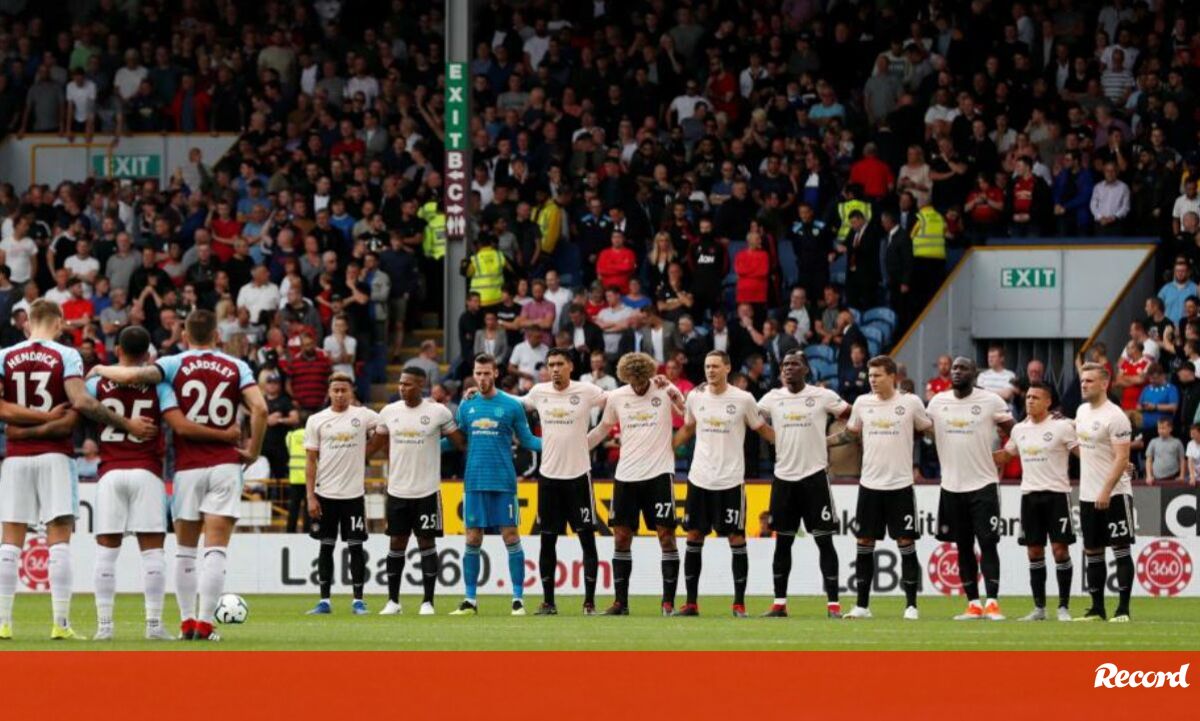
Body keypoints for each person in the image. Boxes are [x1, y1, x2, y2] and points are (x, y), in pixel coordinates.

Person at [88, 309, 268, 641]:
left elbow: (125, 382)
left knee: (184, 552)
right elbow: (260, 408)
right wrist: (252, 449)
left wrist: (98, 368)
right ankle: (203, 625)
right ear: (217, 336)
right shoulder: (237, 366)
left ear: (184, 336)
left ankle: (182, 623)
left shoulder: (172, 364)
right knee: (215, 550)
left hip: (184, 468)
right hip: (223, 466)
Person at [0, 299, 157, 641]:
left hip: (15, 456)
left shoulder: (5, 356)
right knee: (58, 540)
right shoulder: (67, 355)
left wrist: (23, 430)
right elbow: (80, 404)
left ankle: (3, 623)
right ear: (58, 322)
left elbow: (2, 409)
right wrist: (126, 424)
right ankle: (60, 623)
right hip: (56, 456)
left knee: (9, 543)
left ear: (28, 323)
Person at [672, 350, 776, 617]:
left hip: (730, 481)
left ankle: (739, 604)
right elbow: (688, 428)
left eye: (716, 366)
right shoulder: (695, 396)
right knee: (694, 536)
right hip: (699, 479)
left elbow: (761, 429)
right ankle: (691, 603)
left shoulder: (743, 399)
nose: (710, 370)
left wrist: (789, 446)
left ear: (727, 368)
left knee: (736, 538)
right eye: (708, 366)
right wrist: (667, 448)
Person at [829, 355, 932, 620]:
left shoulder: (910, 403)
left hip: (900, 486)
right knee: (864, 542)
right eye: (870, 375)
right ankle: (862, 606)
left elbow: (928, 429)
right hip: (870, 485)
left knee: (905, 542)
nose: (872, 380)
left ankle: (911, 606)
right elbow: (850, 434)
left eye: (877, 375)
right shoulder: (862, 403)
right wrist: (822, 442)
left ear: (892, 376)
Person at [586, 352, 686, 615]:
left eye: (642, 381)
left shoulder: (664, 388)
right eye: (633, 381)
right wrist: (579, 446)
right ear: (625, 377)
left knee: (667, 537)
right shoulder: (618, 396)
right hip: (626, 476)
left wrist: (675, 394)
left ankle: (667, 602)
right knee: (621, 538)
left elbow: (688, 415)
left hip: (659, 474)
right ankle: (621, 602)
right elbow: (603, 429)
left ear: (649, 375)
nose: (639, 386)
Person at [757, 350, 850, 617]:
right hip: (783, 479)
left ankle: (833, 605)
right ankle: (779, 604)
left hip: (814, 478)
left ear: (806, 369)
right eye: (785, 365)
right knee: (782, 543)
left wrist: (832, 440)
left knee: (824, 542)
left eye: (794, 364)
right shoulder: (772, 398)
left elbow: (853, 417)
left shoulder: (822, 396)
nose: (788, 368)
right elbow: (749, 416)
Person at [448, 354, 543, 616]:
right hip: (474, 481)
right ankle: (470, 600)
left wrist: (557, 443)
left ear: (496, 373)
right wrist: (425, 443)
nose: (482, 378)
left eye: (486, 373)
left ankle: (518, 599)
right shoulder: (466, 405)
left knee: (511, 536)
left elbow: (528, 440)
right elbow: (457, 441)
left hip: (503, 482)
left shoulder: (511, 405)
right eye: (478, 373)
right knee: (472, 538)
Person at [927, 357, 1015, 621]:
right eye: (954, 368)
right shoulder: (937, 402)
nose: (957, 372)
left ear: (974, 374)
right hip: (951, 486)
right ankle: (973, 604)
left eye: (963, 368)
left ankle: (993, 603)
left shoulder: (991, 401)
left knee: (987, 543)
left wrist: (1007, 454)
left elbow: (1018, 432)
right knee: (963, 546)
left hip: (983, 484)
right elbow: (923, 429)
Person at [371, 367, 464, 615]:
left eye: (408, 384)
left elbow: (461, 443)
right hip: (397, 491)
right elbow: (374, 446)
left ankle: (428, 602)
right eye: (401, 383)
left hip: (427, 491)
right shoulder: (389, 412)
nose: (402, 388)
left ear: (422, 385)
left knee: (426, 543)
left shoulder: (438, 412)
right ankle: (393, 602)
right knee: (396, 543)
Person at [520, 349, 606, 614]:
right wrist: (486, 393)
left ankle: (589, 602)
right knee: (547, 541)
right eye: (551, 365)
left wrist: (654, 385)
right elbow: (516, 403)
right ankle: (548, 602)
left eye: (559, 364)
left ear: (570, 366)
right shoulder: (539, 392)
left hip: (579, 477)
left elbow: (615, 400)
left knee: (587, 540)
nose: (554, 369)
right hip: (549, 479)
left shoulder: (587, 390)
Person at [993, 382, 1078, 622]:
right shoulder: (1019, 429)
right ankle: (1039, 608)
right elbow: (1006, 455)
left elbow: (1082, 453)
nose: (1030, 400)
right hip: (1030, 496)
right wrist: (974, 456)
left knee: (1060, 550)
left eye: (1036, 397)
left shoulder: (1062, 426)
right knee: (1034, 551)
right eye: (1028, 396)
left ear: (1048, 402)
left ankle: (1063, 607)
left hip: (1057, 495)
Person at [303, 374, 380, 615]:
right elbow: (310, 461)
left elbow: (389, 424)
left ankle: (358, 601)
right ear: (329, 392)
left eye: (343, 390)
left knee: (356, 548)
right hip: (325, 494)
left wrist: (369, 449)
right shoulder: (316, 420)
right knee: (326, 547)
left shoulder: (363, 415)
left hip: (353, 496)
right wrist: (310, 496)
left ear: (351, 392)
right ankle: (324, 601)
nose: (339, 394)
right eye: (335, 390)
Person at [1073, 363, 1136, 622]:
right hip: (1087, 494)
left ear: (1104, 384)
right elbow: (1085, 448)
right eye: (1082, 380)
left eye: (1089, 380)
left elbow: (1122, 458)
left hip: (1114, 494)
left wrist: (1106, 491)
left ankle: (1123, 610)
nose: (1084, 384)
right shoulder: (1081, 411)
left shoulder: (1116, 416)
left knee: (1121, 550)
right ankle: (1097, 609)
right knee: (1093, 552)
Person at [1145, 418, 1185, 484]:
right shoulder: (1153, 442)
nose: (1161, 431)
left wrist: (1182, 475)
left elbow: (1182, 460)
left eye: (1163, 428)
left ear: (1170, 428)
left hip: (1174, 476)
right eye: (1159, 428)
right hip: (1156, 478)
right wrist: (1149, 476)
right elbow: (1149, 460)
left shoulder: (1177, 442)